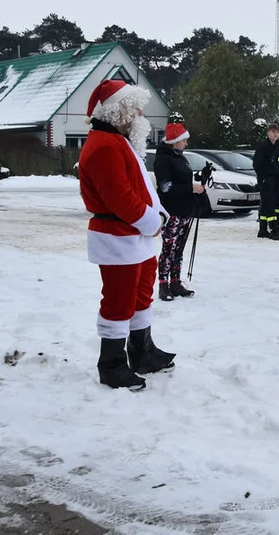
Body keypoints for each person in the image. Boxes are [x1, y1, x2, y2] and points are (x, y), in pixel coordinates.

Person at [78, 79, 174, 390]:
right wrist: (151, 221)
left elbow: (142, 187)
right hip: (118, 237)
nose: (140, 113)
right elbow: (120, 198)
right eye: (134, 108)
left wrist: (157, 214)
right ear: (118, 111)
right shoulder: (104, 145)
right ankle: (112, 364)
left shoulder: (120, 142)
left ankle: (142, 351)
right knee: (119, 302)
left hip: (136, 239)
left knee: (140, 297)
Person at [153, 123, 206, 300]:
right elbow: (166, 187)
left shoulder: (181, 157)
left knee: (179, 248)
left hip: (185, 210)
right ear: (174, 141)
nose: (186, 143)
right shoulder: (163, 159)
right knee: (168, 248)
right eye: (183, 140)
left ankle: (175, 282)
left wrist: (199, 180)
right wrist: (190, 187)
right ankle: (163, 285)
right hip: (171, 211)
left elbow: (183, 178)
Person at [253, 123, 279, 241]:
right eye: (273, 132)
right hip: (266, 179)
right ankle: (273, 230)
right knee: (270, 204)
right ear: (268, 133)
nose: (275, 134)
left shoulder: (278, 146)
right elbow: (257, 164)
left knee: (267, 204)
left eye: (277, 132)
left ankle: (262, 229)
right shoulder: (263, 146)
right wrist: (263, 177)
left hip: (275, 178)